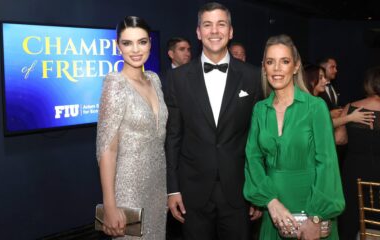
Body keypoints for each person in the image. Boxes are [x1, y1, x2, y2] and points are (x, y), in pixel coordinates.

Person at [165, 2, 262, 240]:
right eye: (207, 25)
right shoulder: (177, 79)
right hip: (192, 191)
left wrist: (259, 189)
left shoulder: (252, 77)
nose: (214, 31)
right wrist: (173, 188)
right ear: (198, 32)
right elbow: (173, 137)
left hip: (239, 190)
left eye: (221, 24)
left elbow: (257, 138)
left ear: (231, 31)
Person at [244, 34, 345, 240]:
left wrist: (316, 217)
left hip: (312, 205)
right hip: (274, 209)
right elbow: (252, 159)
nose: (277, 69)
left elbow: (327, 163)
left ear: (296, 66)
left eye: (285, 61)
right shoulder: (259, 110)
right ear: (264, 67)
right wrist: (270, 202)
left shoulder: (315, 107)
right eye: (271, 62)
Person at [96, 16, 168, 239]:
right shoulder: (115, 84)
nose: (136, 49)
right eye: (127, 43)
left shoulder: (154, 80)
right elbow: (107, 148)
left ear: (150, 44)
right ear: (118, 46)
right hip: (129, 191)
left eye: (142, 42)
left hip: (158, 186)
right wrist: (110, 205)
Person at [338, 66, 380, 239]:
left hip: (354, 171)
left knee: (352, 216)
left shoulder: (351, 107)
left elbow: (340, 140)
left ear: (367, 84)